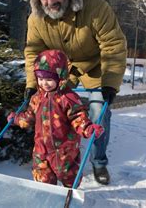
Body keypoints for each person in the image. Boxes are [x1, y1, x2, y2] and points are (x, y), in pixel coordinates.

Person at [23, 0, 127, 185]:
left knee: (98, 110)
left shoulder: (95, 7)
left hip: (96, 66)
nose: (50, 1)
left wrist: (110, 83)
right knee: (51, 107)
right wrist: (32, 85)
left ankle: (99, 161)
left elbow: (113, 45)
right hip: (60, 71)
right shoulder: (36, 19)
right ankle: (61, 156)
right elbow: (34, 52)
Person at [7, 49, 104, 187]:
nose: (44, 83)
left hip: (65, 152)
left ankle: (69, 195)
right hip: (41, 149)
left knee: (69, 176)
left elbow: (78, 117)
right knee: (43, 179)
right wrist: (16, 119)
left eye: (49, 79)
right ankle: (48, 197)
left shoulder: (68, 98)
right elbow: (29, 117)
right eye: (40, 79)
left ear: (61, 77)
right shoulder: (36, 98)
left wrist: (88, 128)